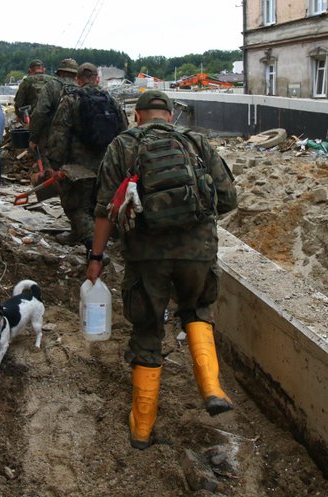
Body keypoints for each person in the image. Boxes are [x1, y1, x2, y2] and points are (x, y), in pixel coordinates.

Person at [86, 89, 238, 449]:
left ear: (137, 115)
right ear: (170, 115)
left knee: (148, 331)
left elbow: (105, 209)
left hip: (146, 256)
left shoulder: (122, 145)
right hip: (198, 252)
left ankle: (141, 428)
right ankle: (212, 388)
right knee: (197, 310)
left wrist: (95, 258)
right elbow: (228, 199)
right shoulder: (196, 142)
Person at [45, 62, 127, 247]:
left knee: (76, 206)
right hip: (106, 163)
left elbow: (59, 133)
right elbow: (124, 132)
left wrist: (56, 165)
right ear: (97, 78)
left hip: (78, 165)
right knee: (100, 203)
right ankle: (83, 234)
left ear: (78, 79)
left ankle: (95, 246)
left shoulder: (71, 100)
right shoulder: (111, 100)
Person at [29, 57, 78, 160]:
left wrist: (34, 138)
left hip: (52, 140)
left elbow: (40, 112)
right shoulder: (81, 87)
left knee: (50, 171)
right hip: (77, 141)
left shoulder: (51, 86)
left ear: (60, 72)